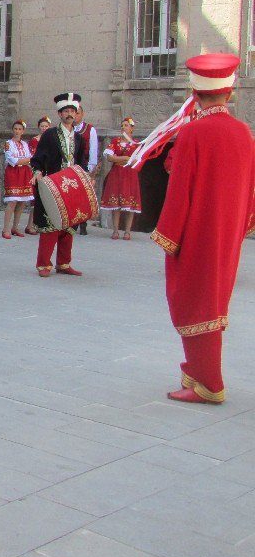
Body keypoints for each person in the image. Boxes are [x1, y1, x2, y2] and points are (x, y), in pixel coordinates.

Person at [152, 54, 255, 404]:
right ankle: (196, 372)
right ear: (229, 92)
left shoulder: (192, 133)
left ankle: (210, 384)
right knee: (213, 300)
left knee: (194, 301)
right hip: (227, 232)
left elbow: (180, 191)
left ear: (195, 92)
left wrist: (168, 235)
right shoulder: (244, 132)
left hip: (196, 234)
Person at [30, 93, 88, 277]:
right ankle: (43, 265)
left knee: (69, 225)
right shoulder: (50, 135)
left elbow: (81, 162)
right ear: (60, 114)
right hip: (53, 184)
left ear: (76, 113)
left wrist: (85, 177)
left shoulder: (79, 138)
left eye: (73, 111)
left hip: (72, 186)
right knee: (51, 224)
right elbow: (38, 158)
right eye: (66, 111)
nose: (69, 114)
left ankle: (63, 263)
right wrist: (37, 171)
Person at [100, 116, 141, 240]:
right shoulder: (115, 142)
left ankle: (127, 231)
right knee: (115, 203)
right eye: (122, 125)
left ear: (132, 128)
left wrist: (124, 159)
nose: (123, 127)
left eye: (126, 125)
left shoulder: (136, 144)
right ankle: (116, 230)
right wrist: (124, 159)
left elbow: (136, 160)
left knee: (130, 203)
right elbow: (109, 157)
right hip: (117, 173)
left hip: (129, 174)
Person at [2, 120, 34, 239]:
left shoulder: (25, 144)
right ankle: (6, 229)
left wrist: (24, 160)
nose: (17, 131)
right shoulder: (8, 143)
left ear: (23, 131)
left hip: (25, 172)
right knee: (12, 200)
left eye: (20, 129)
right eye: (15, 129)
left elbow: (30, 157)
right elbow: (12, 160)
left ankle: (15, 227)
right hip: (13, 173)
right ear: (12, 130)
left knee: (22, 201)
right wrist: (25, 160)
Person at [73, 104, 99, 235]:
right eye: (73, 113)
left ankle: (82, 223)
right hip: (70, 166)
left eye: (77, 113)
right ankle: (72, 222)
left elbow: (93, 150)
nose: (75, 116)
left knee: (83, 196)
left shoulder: (89, 129)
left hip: (84, 166)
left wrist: (91, 170)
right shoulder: (67, 128)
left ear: (82, 114)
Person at [24, 116, 51, 234]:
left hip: (49, 171)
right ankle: (30, 225)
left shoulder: (52, 140)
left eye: (46, 126)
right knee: (35, 199)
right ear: (38, 127)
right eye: (42, 126)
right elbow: (34, 157)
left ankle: (42, 224)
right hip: (38, 171)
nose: (44, 128)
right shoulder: (35, 140)